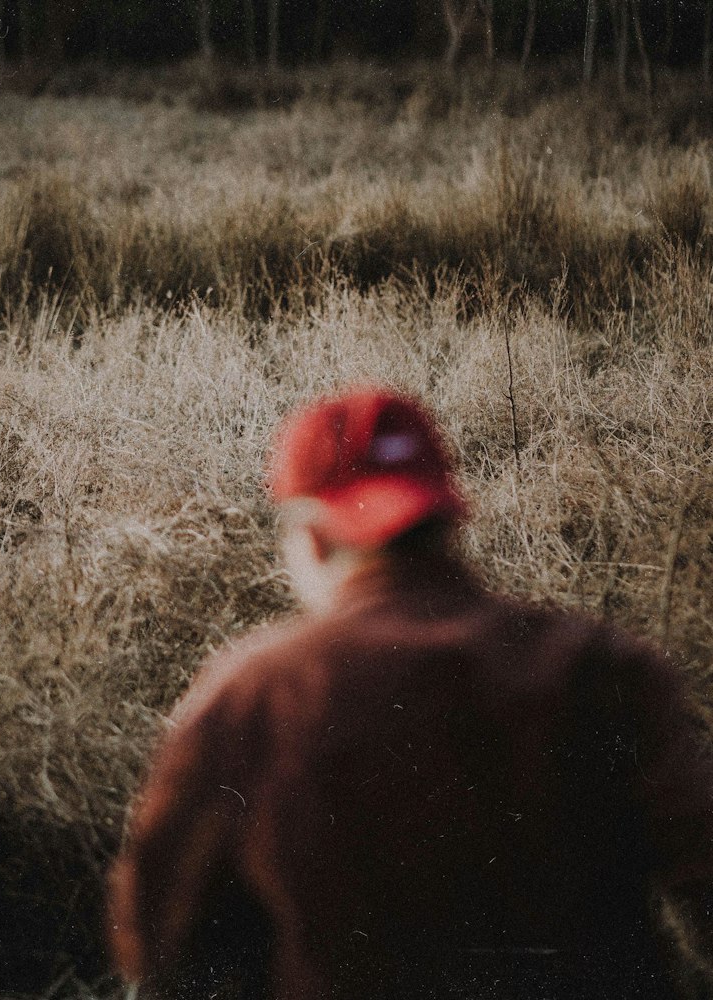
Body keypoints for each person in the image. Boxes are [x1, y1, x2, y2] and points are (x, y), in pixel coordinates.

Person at [107, 387, 713, 1000]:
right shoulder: (604, 667)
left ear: (311, 538)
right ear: (446, 521)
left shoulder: (251, 695)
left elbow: (156, 944)